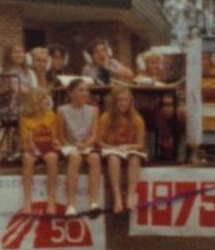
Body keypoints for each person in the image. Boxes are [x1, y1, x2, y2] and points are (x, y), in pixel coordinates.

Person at [98, 86, 147, 214]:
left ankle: (131, 196)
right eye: (120, 100)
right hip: (111, 150)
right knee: (114, 159)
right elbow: (99, 141)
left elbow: (141, 144)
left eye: (126, 100)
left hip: (129, 151)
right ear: (114, 102)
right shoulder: (105, 117)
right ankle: (118, 199)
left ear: (130, 102)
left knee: (135, 158)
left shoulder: (137, 118)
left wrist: (128, 147)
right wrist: (112, 148)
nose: (123, 103)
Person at [57, 78, 102, 216]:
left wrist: (85, 145)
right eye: (80, 90)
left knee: (94, 158)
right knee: (75, 159)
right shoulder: (62, 110)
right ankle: (70, 205)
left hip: (87, 145)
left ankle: (94, 203)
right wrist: (72, 146)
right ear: (71, 93)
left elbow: (94, 134)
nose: (85, 93)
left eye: (87, 90)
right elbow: (61, 135)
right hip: (70, 146)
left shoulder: (93, 110)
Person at [19, 86, 61, 215]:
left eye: (47, 98)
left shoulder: (51, 116)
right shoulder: (25, 119)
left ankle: (51, 200)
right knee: (27, 159)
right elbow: (25, 142)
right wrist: (30, 147)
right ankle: (27, 201)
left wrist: (56, 142)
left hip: (48, 147)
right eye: (44, 98)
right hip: (32, 148)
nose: (47, 101)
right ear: (36, 101)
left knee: (52, 158)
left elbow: (55, 138)